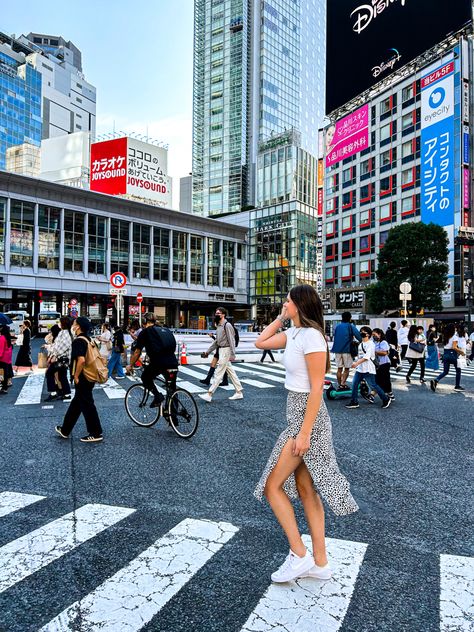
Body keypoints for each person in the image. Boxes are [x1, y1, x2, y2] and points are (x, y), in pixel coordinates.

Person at [254, 284, 358, 583]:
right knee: (306, 491)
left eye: (288, 301)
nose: (284, 304)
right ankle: (320, 563)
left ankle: (299, 554)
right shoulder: (296, 333)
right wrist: (281, 318)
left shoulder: (312, 336)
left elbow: (316, 388)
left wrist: (304, 433)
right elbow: (261, 342)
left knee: (272, 487)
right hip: (297, 416)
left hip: (307, 419)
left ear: (299, 304)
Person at [55, 317, 103, 443]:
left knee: (87, 404)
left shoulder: (78, 341)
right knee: (77, 403)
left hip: (83, 377)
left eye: (75, 323)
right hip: (89, 375)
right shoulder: (88, 339)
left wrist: (76, 376)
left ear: (78, 326)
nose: (73, 325)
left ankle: (95, 432)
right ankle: (65, 430)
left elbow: (81, 360)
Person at [126, 312, 179, 409]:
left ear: (145, 321)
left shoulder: (145, 332)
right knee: (172, 388)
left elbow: (137, 352)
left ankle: (157, 396)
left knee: (145, 377)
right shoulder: (166, 330)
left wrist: (130, 365)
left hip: (159, 363)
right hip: (173, 363)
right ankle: (173, 415)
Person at [199, 307, 243, 403]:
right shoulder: (219, 326)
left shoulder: (227, 325)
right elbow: (216, 341)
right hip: (221, 350)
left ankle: (209, 394)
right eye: (216, 313)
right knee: (231, 372)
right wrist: (208, 352)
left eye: (218, 313)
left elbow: (232, 340)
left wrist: (232, 353)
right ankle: (239, 392)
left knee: (218, 373)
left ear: (223, 314)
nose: (216, 314)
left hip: (226, 350)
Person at [345, 326, 392, 409]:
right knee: (355, 384)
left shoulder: (371, 344)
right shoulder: (361, 344)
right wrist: (355, 362)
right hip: (360, 369)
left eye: (363, 332)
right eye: (361, 332)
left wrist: (356, 364)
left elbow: (367, 357)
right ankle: (354, 401)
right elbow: (360, 356)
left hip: (368, 369)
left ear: (368, 335)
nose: (361, 333)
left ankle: (386, 399)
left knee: (374, 386)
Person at [330, 312, 361, 390]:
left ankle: (340, 384)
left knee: (339, 369)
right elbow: (358, 336)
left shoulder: (338, 326)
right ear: (350, 318)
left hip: (337, 350)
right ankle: (343, 384)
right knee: (347, 368)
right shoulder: (350, 326)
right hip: (346, 350)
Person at [44, 317, 73, 402]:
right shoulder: (66, 333)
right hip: (64, 359)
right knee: (62, 376)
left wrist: (52, 352)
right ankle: (66, 394)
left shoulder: (65, 333)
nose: (58, 324)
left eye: (59, 322)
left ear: (63, 323)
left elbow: (60, 348)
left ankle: (53, 393)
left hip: (61, 359)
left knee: (49, 373)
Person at [430, 323, 465, 392]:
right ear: (453, 329)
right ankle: (457, 386)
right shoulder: (454, 337)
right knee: (458, 370)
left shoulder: (445, 336)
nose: (455, 329)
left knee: (445, 371)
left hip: (445, 354)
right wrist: (461, 352)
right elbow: (454, 347)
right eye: (455, 328)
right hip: (452, 354)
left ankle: (436, 380)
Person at [370, 328, 393, 401]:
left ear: (379, 334)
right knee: (377, 380)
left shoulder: (383, 342)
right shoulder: (374, 342)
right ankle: (372, 395)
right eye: (372, 335)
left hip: (384, 363)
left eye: (374, 334)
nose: (373, 336)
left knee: (385, 380)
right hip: (376, 364)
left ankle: (389, 393)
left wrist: (374, 352)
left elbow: (384, 353)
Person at [0, 325, 13, 394]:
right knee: (5, 373)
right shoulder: (8, 337)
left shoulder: (2, 338)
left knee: (2, 373)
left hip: (2, 358)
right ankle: (4, 388)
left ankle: (3, 387)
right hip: (7, 358)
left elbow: (1, 350)